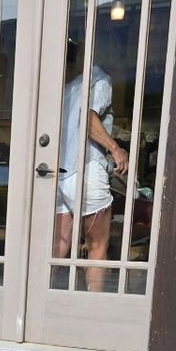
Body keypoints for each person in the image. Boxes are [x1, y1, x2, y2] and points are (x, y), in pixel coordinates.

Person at [55, 44, 129, 291]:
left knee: (59, 245)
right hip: (85, 170)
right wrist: (115, 149)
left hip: (59, 172)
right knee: (97, 245)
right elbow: (88, 118)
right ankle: (92, 307)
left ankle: (44, 300)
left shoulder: (70, 87)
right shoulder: (101, 81)